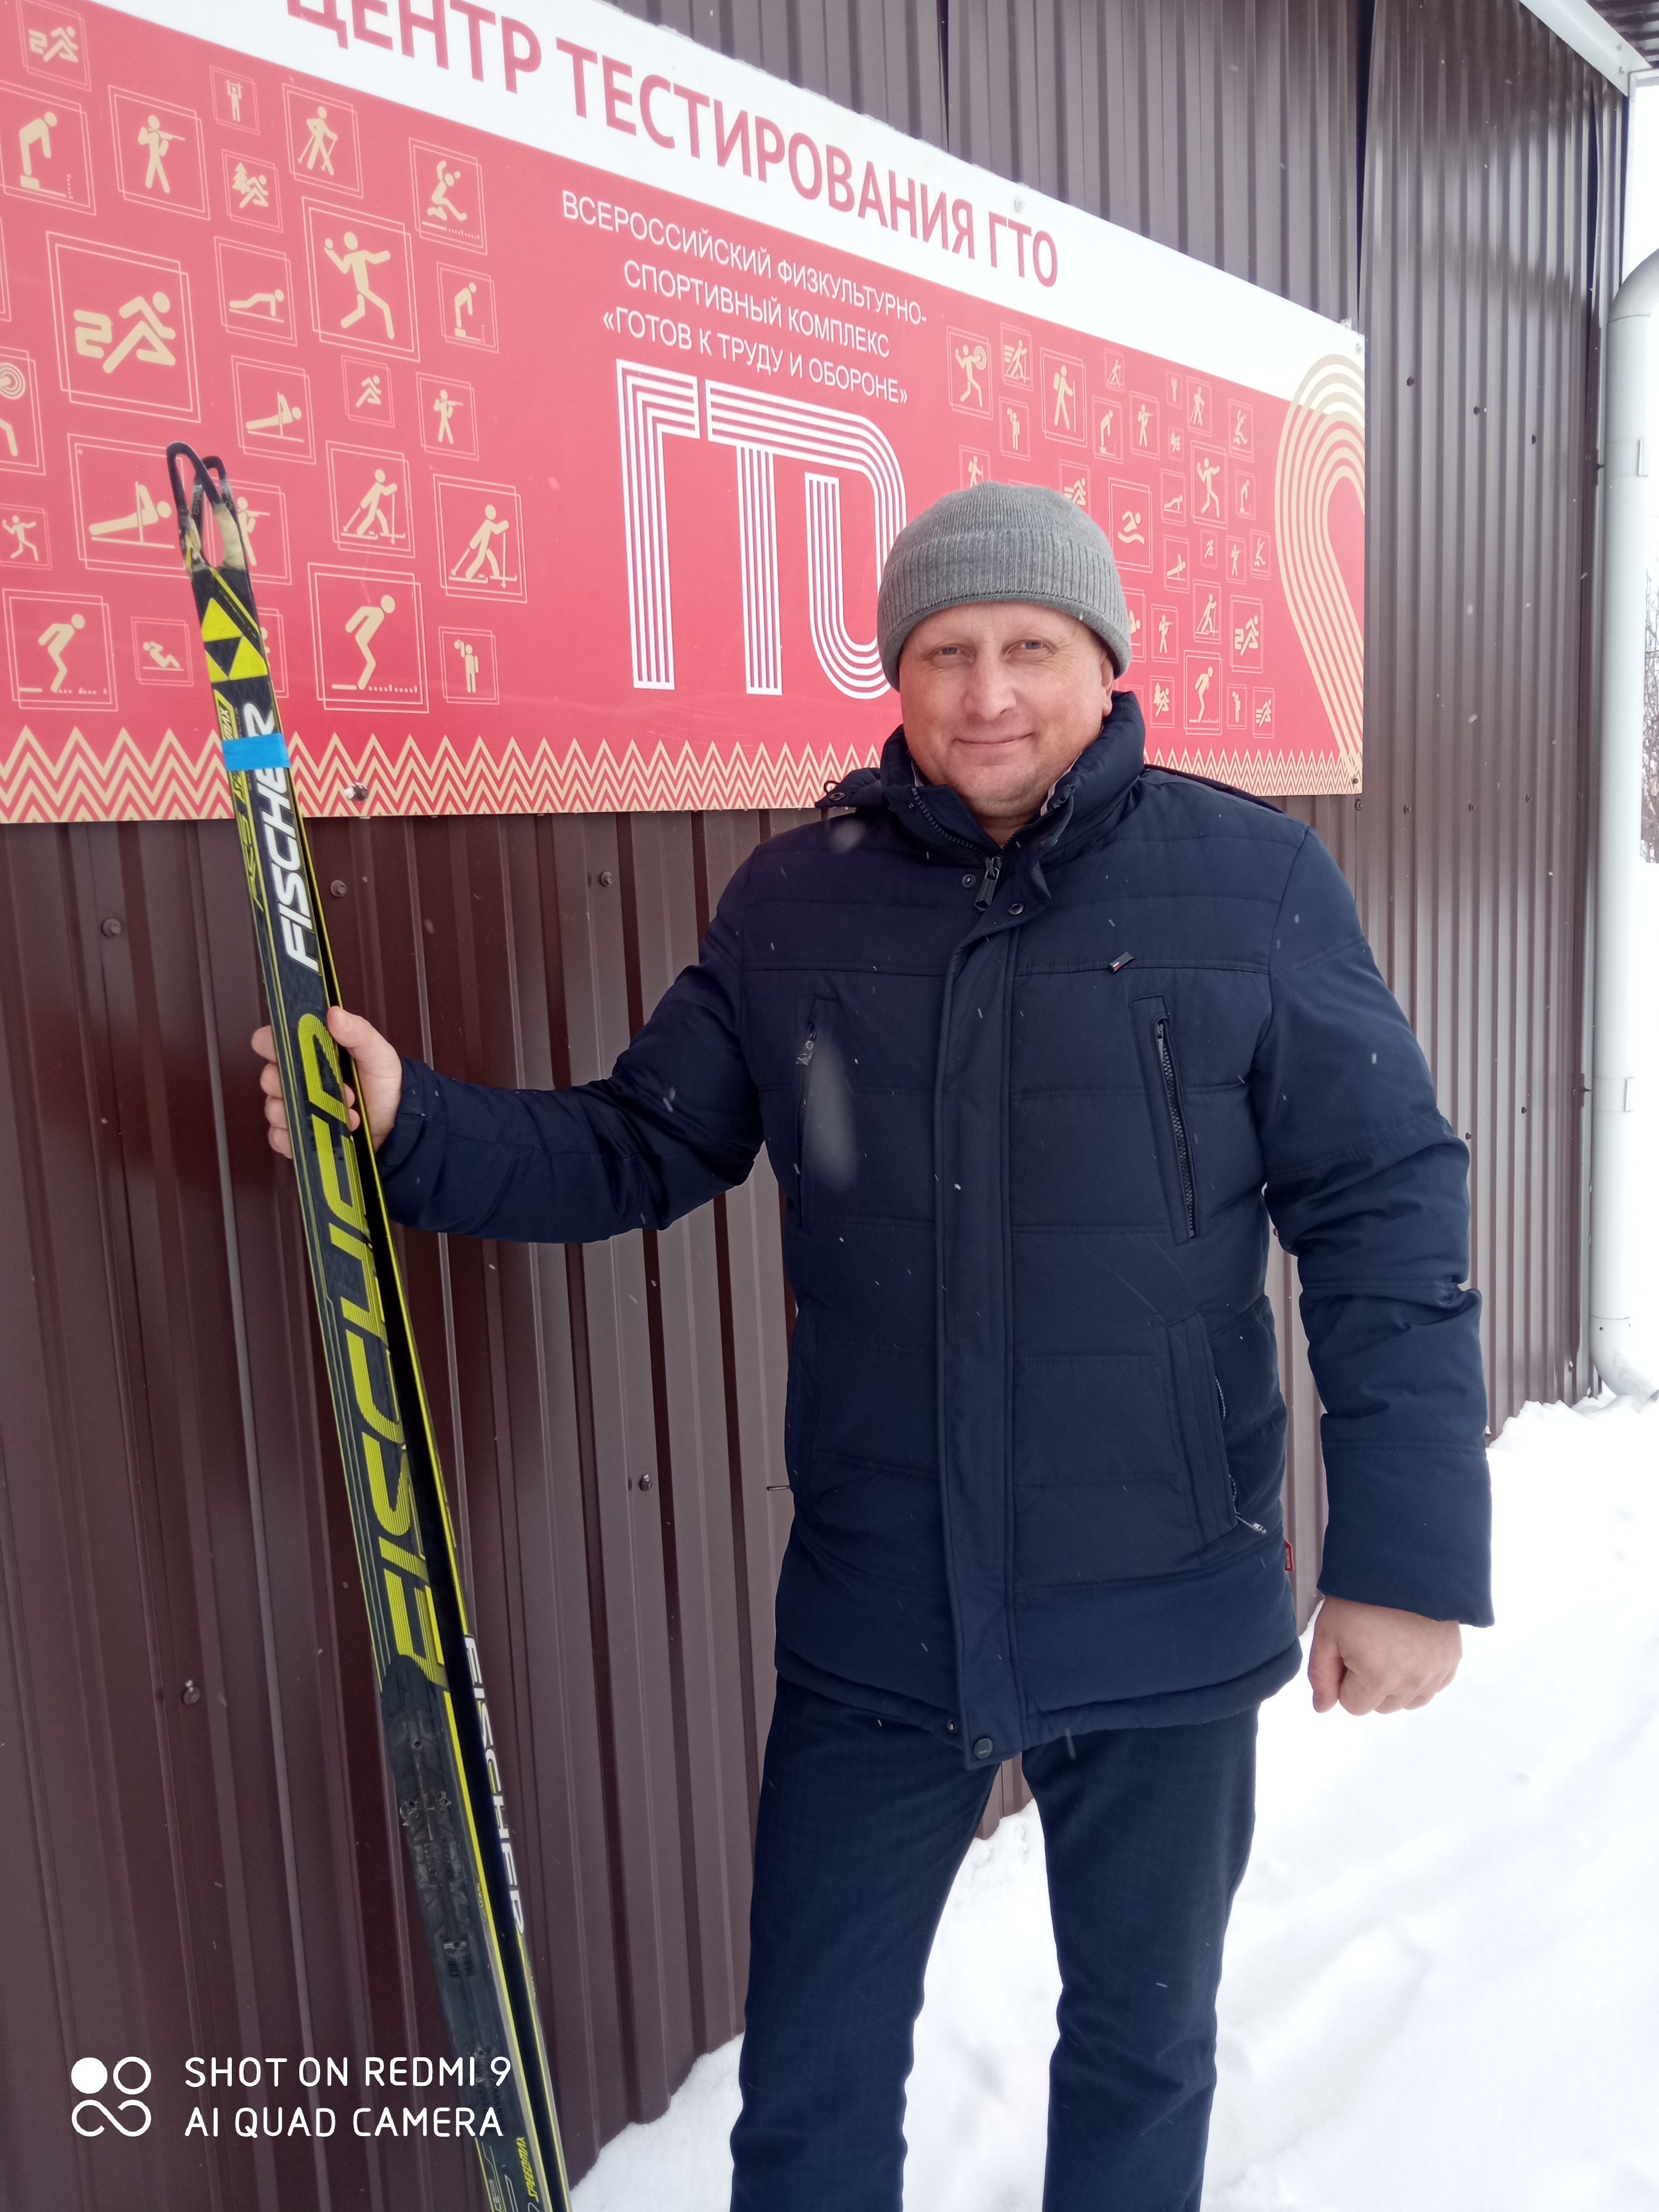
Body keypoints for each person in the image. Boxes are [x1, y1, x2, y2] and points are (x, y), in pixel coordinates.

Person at [253, 483, 1490, 2210]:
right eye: (944, 653)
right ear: (897, 677)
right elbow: (643, 1143)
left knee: (1140, 2053)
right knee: (812, 2079)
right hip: (881, 1607)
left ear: (1107, 664)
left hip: (1162, 1597)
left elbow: (1383, 1214)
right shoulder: (797, 905)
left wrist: (1405, 1562)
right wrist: (414, 1124)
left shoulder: (1252, 885)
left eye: (1029, 647)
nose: (987, 693)